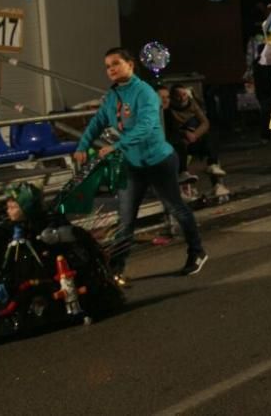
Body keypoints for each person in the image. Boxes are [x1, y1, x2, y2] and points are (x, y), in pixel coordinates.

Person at [74, 47, 207, 283]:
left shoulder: (145, 93)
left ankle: (197, 252)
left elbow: (146, 126)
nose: (111, 69)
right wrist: (82, 146)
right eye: (107, 66)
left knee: (176, 208)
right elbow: (98, 121)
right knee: (126, 219)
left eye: (116, 63)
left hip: (158, 162)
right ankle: (116, 267)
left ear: (130, 64)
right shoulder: (113, 95)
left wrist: (117, 145)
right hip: (132, 165)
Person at [167, 84, 230, 203]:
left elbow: (205, 123)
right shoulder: (168, 109)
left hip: (194, 137)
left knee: (211, 137)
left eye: (184, 94)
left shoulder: (192, 104)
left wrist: (195, 134)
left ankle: (214, 171)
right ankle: (183, 176)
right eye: (178, 96)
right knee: (178, 147)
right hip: (180, 140)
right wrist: (184, 133)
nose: (182, 98)